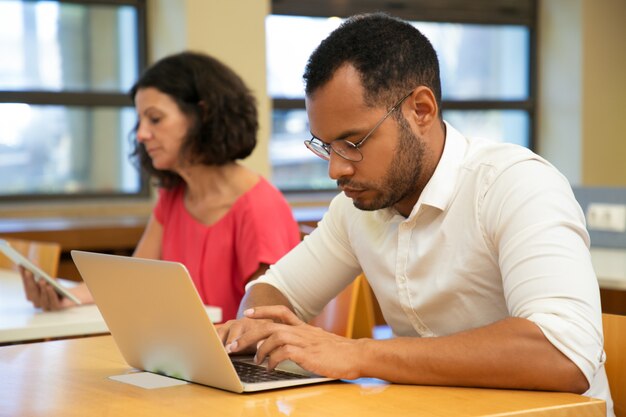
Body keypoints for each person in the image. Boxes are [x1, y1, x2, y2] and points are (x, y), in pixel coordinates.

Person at [217, 13, 614, 415]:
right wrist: (256, 326)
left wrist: (360, 354)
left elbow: (564, 354)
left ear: (421, 110)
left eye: (352, 143)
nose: (335, 169)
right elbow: (273, 290)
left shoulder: (515, 184)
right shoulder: (356, 209)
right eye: (325, 146)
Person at [21, 51, 301, 322]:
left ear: (202, 115)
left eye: (155, 119)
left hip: (240, 363)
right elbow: (131, 278)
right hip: (187, 359)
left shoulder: (260, 207)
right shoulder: (173, 197)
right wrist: (64, 296)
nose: (141, 134)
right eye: (140, 120)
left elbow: (263, 323)